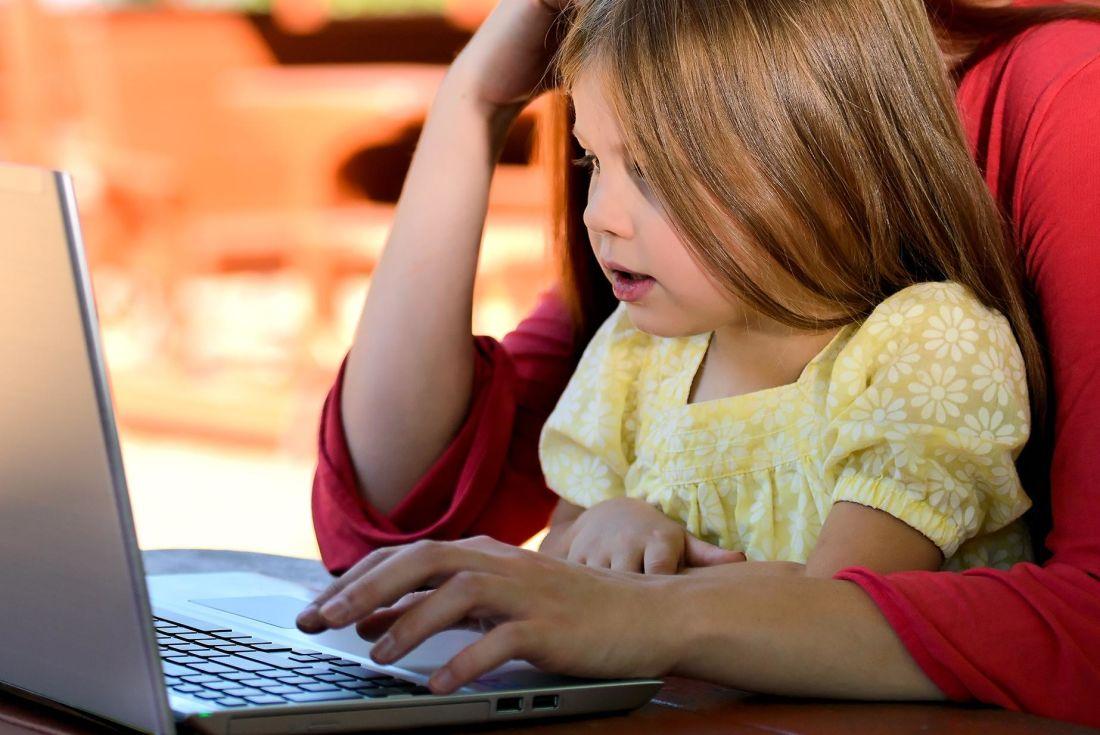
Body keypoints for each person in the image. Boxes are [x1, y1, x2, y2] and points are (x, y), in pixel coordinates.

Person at [302, 0, 1100, 727]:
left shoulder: (929, 310)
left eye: (652, 171)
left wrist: (645, 610)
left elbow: (850, 611)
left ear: (819, 156)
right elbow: (397, 519)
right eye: (591, 164)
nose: (600, 217)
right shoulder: (660, 324)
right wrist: (473, 98)